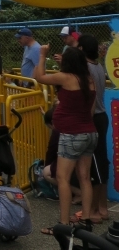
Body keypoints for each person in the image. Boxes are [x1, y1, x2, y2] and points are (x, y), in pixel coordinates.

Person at [33, 45, 96, 234]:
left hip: (72, 134)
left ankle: (63, 225)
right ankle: (85, 220)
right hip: (90, 133)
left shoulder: (65, 78)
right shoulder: (89, 80)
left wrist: (42, 56)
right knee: (85, 178)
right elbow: (91, 111)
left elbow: (39, 77)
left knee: (62, 178)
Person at [77, 34, 110, 224]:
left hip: (93, 118)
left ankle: (95, 211)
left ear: (82, 49)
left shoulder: (85, 68)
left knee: (95, 166)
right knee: (102, 161)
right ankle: (103, 208)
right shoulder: (98, 66)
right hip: (102, 116)